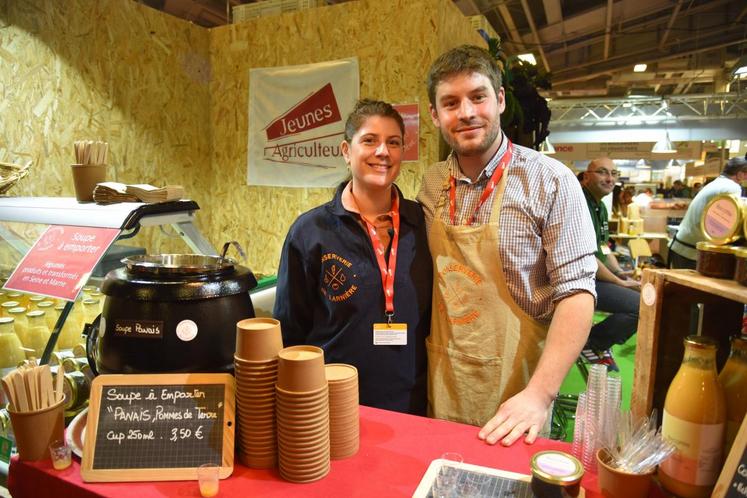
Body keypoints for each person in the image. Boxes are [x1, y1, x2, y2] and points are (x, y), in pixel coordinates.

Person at [417, 45, 597, 446]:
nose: (465, 113)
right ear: (434, 115)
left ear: (499, 100)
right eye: (450, 103)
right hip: (445, 383)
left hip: (519, 397)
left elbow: (578, 293)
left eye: (477, 97)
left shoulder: (550, 181)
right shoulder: (430, 184)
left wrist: (539, 394)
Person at [274, 99, 432, 415]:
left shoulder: (424, 224)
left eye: (393, 142)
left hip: (411, 404)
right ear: (347, 150)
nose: (383, 152)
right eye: (369, 140)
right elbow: (290, 332)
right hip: (330, 404)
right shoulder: (311, 231)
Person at [580, 158, 640, 372]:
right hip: (578, 279)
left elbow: (603, 248)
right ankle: (591, 343)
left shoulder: (600, 206)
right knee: (639, 306)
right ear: (586, 176)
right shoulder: (579, 203)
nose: (610, 178)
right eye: (603, 172)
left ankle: (596, 342)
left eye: (614, 173)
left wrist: (621, 274)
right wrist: (617, 281)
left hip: (594, 275)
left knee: (639, 295)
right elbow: (585, 256)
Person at [669, 157, 747, 269]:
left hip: (682, 245)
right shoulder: (732, 187)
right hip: (692, 250)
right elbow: (732, 221)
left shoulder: (717, 183)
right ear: (739, 174)